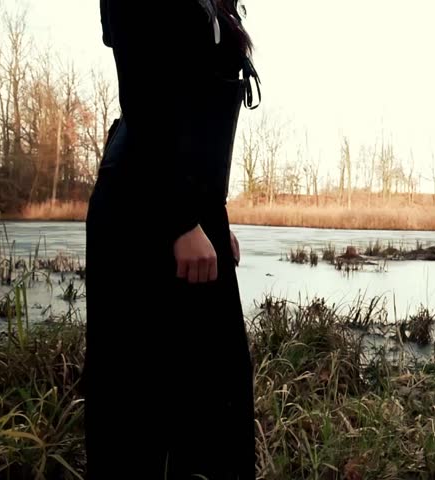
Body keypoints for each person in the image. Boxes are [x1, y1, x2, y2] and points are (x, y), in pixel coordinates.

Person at [85, 1, 260, 478]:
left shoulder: (215, 3)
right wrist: (182, 220)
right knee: (135, 400)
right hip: (144, 210)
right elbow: (144, 96)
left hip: (191, 205)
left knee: (214, 395)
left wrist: (214, 220)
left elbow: (197, 117)